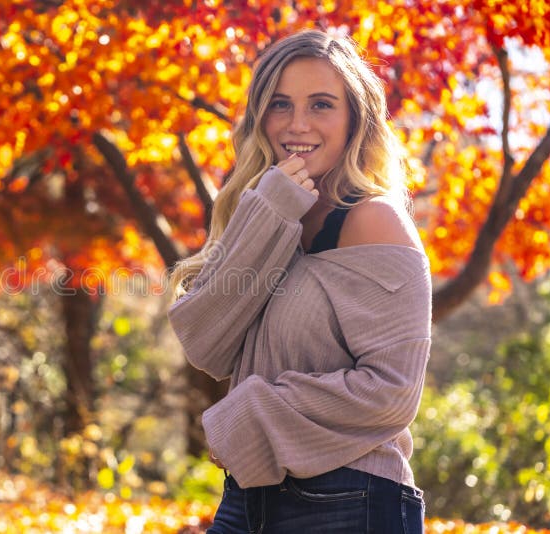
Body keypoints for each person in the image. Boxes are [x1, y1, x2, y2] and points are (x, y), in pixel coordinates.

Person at [167, 29, 431, 533]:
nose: (298, 124)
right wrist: (268, 211)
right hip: (248, 501)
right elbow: (205, 344)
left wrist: (251, 414)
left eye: (322, 105)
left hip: (350, 501)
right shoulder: (268, 210)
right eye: (280, 104)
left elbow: (393, 393)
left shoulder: (372, 221)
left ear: (356, 119)